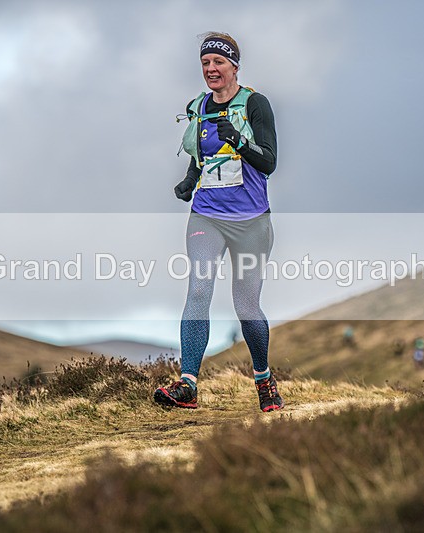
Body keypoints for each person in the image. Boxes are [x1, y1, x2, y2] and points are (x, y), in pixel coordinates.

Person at [154, 32, 283, 412]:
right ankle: (188, 385)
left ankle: (263, 380)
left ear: (234, 67)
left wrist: (239, 142)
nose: (211, 69)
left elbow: (269, 162)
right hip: (206, 216)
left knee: (246, 305)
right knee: (198, 289)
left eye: (219, 63)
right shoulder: (198, 107)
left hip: (251, 221)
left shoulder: (255, 104)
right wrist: (189, 180)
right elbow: (201, 156)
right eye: (206, 63)